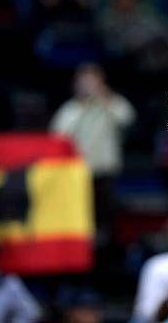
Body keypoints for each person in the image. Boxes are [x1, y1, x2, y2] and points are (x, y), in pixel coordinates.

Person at [50, 63, 136, 232]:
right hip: (78, 175)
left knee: (108, 221)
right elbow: (58, 135)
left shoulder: (111, 103)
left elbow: (127, 118)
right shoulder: (70, 109)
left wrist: (104, 97)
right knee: (83, 221)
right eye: (84, 81)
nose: (88, 85)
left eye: (93, 80)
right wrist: (82, 106)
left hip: (106, 174)